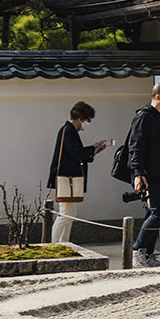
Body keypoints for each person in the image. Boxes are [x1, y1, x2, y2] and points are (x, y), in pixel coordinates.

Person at [127, 82, 160, 267]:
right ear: (158, 97)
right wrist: (138, 173)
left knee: (153, 212)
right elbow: (136, 147)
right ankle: (137, 251)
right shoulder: (144, 117)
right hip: (149, 175)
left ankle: (148, 254)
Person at [47, 102, 110, 245]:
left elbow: (77, 154)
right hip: (67, 178)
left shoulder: (68, 130)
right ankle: (55, 244)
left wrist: (94, 150)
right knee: (65, 214)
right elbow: (76, 153)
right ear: (81, 118)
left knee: (69, 213)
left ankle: (63, 242)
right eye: (88, 120)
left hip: (68, 178)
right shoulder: (68, 131)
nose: (87, 124)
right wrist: (92, 148)